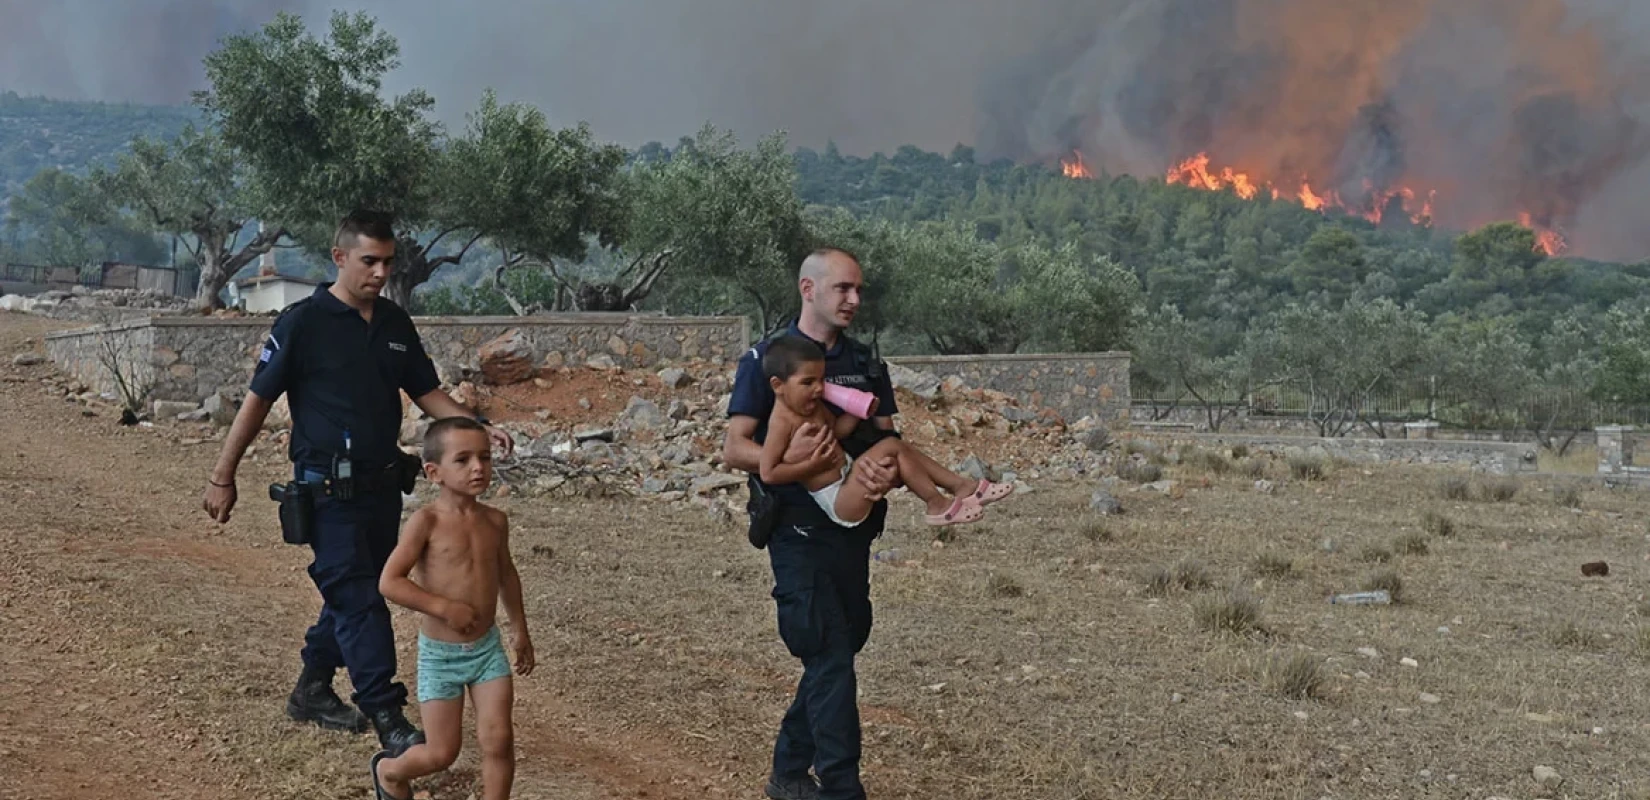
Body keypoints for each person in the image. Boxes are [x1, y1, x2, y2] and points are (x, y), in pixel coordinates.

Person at [201, 210, 514, 757]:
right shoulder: (301, 323)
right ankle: (387, 713)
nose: (380, 272)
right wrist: (223, 476)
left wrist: (477, 428)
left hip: (381, 488)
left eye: (388, 262)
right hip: (325, 490)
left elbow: (428, 395)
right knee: (359, 597)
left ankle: (313, 687)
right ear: (340, 258)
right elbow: (258, 401)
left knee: (357, 590)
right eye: (369, 260)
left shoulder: (394, 324)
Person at [725, 247, 959, 800]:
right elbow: (735, 448)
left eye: (859, 290)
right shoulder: (769, 360)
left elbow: (883, 440)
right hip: (797, 532)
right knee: (828, 653)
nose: (854, 300)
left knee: (844, 644)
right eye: (842, 290)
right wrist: (796, 464)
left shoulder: (865, 363)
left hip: (854, 526)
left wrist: (889, 477)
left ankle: (787, 772)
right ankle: (840, 786)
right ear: (809, 290)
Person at [371, 417, 533, 800]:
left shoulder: (495, 521)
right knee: (442, 752)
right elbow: (389, 581)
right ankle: (390, 772)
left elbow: (506, 576)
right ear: (434, 472)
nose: (478, 467)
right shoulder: (425, 522)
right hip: (441, 657)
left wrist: (519, 628)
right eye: (463, 460)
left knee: (499, 739)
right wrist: (442, 607)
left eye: (485, 457)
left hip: (486, 651)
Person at [757, 335, 1013, 528]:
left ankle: (960, 488)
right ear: (778, 385)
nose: (818, 388)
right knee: (891, 445)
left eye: (821, 381)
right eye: (807, 382)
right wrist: (812, 465)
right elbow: (769, 472)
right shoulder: (781, 421)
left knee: (896, 450)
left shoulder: (811, 406)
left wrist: (859, 412)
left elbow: (837, 432)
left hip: (848, 475)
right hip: (838, 499)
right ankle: (940, 502)